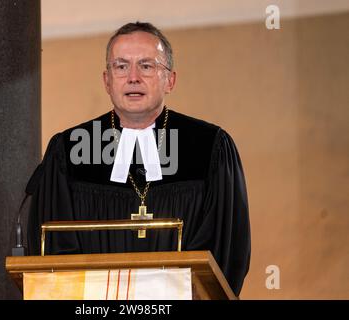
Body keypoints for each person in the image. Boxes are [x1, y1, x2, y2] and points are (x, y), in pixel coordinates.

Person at [25, 22, 250, 296]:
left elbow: (225, 250)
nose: (133, 77)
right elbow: (54, 253)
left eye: (146, 66)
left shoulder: (209, 147)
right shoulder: (69, 150)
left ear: (170, 80)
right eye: (121, 66)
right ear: (106, 81)